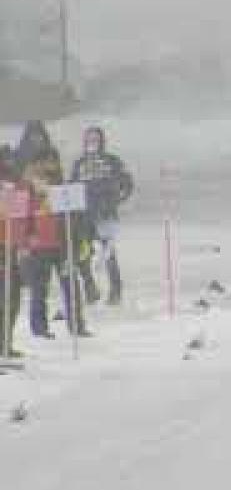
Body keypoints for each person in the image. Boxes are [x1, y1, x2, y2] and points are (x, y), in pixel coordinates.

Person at [19, 149, 91, 339]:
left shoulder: (63, 186)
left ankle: (77, 325)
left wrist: (78, 238)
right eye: (45, 162)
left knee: (71, 286)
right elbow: (19, 217)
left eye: (54, 162)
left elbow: (76, 215)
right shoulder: (26, 188)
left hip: (62, 245)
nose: (50, 166)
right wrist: (24, 240)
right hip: (38, 246)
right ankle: (39, 328)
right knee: (39, 289)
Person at [71, 125, 133, 305]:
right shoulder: (80, 163)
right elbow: (72, 186)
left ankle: (115, 290)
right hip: (84, 216)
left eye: (95, 139)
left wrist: (118, 198)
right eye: (89, 139)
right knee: (83, 253)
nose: (92, 142)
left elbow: (126, 182)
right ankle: (90, 288)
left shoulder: (112, 161)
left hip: (105, 214)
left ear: (101, 141)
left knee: (108, 253)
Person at [0, 151, 26, 358]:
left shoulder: (17, 185)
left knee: (12, 298)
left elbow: (20, 215)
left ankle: (5, 343)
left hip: (10, 246)